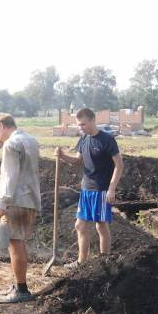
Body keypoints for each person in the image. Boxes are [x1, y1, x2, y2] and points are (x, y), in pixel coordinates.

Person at [55, 108, 124, 268]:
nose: (81, 127)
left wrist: (112, 188)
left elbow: (119, 165)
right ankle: (81, 262)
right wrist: (63, 156)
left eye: (83, 124)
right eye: (79, 125)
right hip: (86, 189)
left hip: (101, 190)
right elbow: (78, 160)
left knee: (101, 225)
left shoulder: (107, 139)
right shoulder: (84, 138)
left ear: (93, 120)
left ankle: (104, 261)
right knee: (80, 225)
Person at [0, 113, 41, 303]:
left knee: (14, 243)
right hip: (31, 199)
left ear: (2, 125)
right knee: (19, 242)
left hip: (16, 200)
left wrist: (2, 203)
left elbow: (9, 177)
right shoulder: (31, 140)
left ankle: (21, 290)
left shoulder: (10, 144)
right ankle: (18, 283)